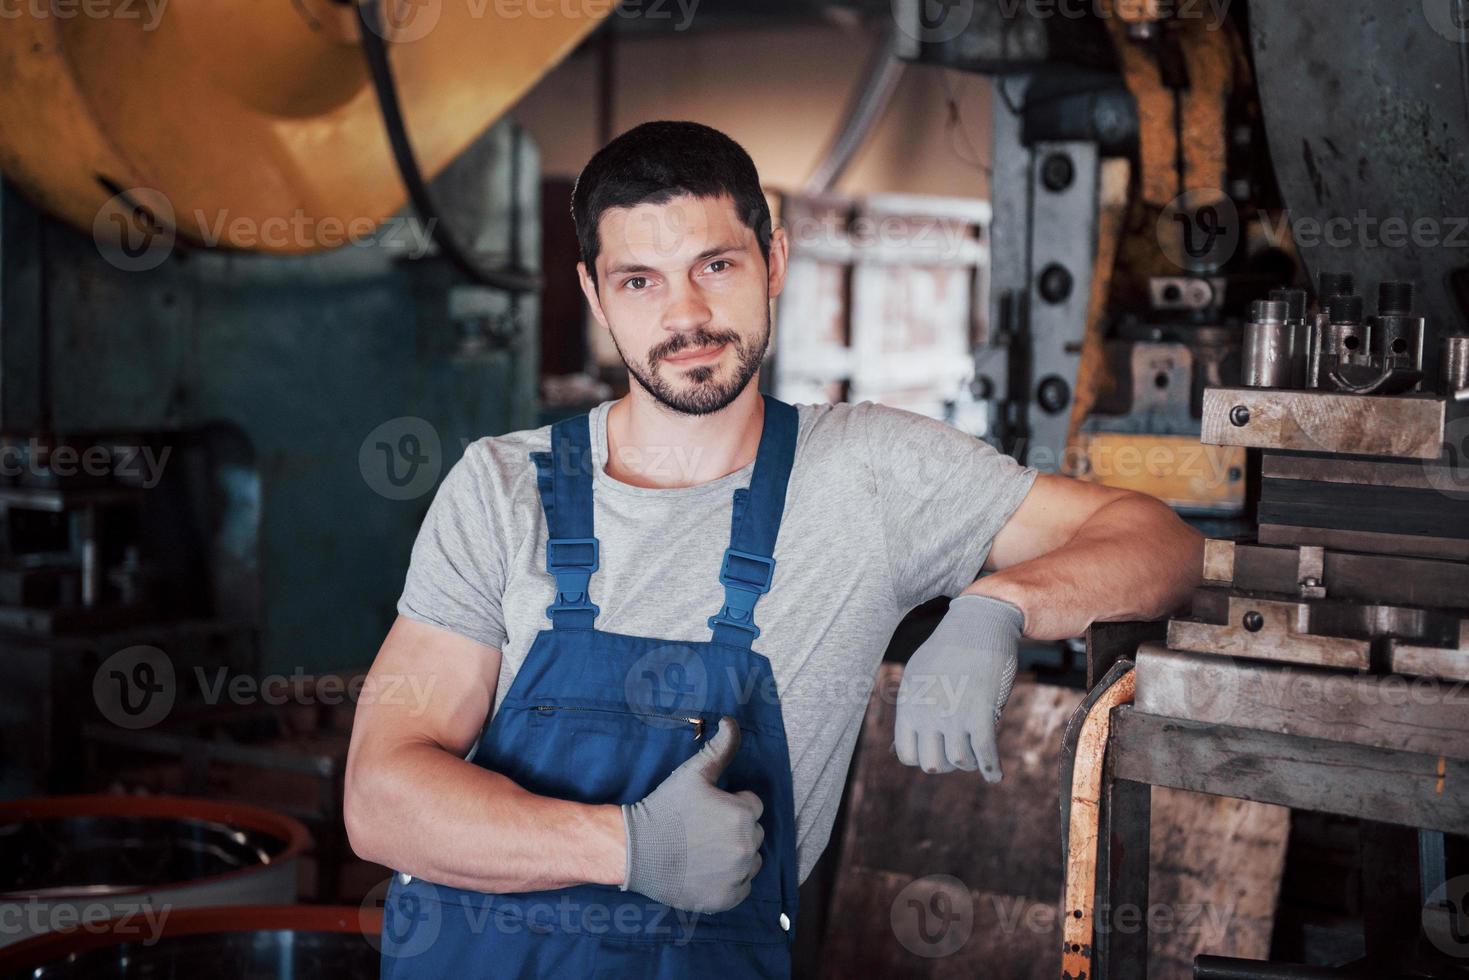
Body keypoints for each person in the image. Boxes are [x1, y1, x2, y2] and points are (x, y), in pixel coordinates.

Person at [344, 120, 1202, 978]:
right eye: (638, 281)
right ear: (594, 295)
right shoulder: (500, 489)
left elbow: (1160, 543)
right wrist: (626, 848)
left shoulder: (870, 472)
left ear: (775, 261)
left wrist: (1000, 605)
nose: (685, 315)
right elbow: (381, 801)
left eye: (715, 266)